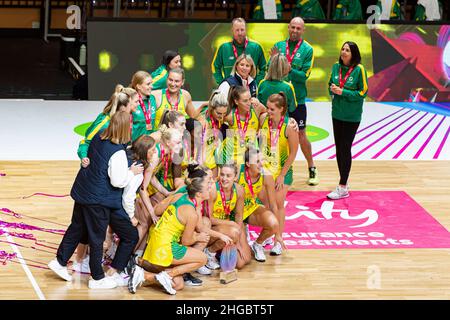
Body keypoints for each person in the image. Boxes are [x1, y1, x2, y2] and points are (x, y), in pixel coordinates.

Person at [48, 111, 144, 289]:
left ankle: (60, 261)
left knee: (76, 228)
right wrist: (131, 172)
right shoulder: (118, 151)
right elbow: (117, 180)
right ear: (125, 128)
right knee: (97, 237)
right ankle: (97, 278)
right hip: (97, 199)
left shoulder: (99, 137)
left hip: (83, 191)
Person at [127, 172, 211, 295]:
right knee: (202, 259)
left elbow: (157, 210)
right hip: (165, 247)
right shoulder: (192, 213)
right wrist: (198, 236)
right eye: (208, 186)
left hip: (154, 241)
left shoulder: (179, 196)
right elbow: (186, 241)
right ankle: (168, 274)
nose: (210, 187)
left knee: (178, 285)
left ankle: (144, 275)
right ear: (199, 194)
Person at [272, 17, 319, 185]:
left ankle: (312, 167)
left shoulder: (308, 50)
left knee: (300, 134)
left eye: (298, 28)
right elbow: (271, 70)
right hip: (278, 99)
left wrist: (288, 68)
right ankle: (276, 169)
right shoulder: (278, 46)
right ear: (288, 27)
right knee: (275, 134)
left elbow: (304, 76)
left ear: (303, 30)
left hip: (297, 100)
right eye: (292, 27)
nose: (295, 31)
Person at [259, 93, 299, 256]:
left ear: (282, 109)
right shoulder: (262, 120)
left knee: (278, 203)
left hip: (282, 170)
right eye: (267, 108)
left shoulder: (289, 127)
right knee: (266, 202)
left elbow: (293, 153)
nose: (269, 111)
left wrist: (282, 175)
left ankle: (278, 239)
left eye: (272, 109)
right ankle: (269, 232)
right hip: (264, 169)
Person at [133, 125, 184, 255]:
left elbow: (151, 176)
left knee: (146, 223)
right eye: (178, 142)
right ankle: (125, 258)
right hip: (132, 191)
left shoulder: (163, 152)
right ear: (167, 142)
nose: (180, 145)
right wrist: (151, 212)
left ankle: (136, 255)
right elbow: (143, 188)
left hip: (138, 187)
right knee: (144, 223)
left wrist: (166, 192)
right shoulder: (155, 156)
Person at [327, 41, 368, 200]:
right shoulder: (335, 67)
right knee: (339, 148)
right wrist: (331, 89)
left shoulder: (359, 69)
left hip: (352, 116)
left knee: (345, 147)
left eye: (348, 50)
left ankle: (343, 186)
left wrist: (343, 92)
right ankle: (343, 182)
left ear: (353, 54)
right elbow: (330, 83)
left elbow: (363, 92)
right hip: (337, 113)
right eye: (343, 49)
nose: (344, 52)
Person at [77, 85, 138, 169]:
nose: (138, 104)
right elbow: (86, 142)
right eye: (136, 102)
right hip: (96, 168)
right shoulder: (104, 123)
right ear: (124, 106)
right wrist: (84, 157)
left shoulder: (129, 117)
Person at [206, 163, 251, 270]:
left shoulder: (239, 190)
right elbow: (209, 219)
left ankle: (221, 251)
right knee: (233, 233)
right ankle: (209, 251)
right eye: (222, 175)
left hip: (230, 227)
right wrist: (230, 224)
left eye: (228, 176)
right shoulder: (213, 190)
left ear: (235, 177)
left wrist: (238, 243)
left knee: (244, 261)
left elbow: (239, 216)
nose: (224, 178)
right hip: (213, 226)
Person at [238, 146, 279, 262]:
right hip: (234, 212)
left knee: (274, 224)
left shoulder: (267, 176)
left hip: (250, 208)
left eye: (262, 160)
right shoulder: (237, 172)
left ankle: (258, 244)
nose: (261, 164)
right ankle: (242, 230)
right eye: (257, 161)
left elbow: (273, 205)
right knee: (243, 260)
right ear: (247, 164)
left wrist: (278, 235)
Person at [211, 18, 267, 86]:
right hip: (231, 90)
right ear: (232, 30)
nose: (240, 33)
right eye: (237, 30)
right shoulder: (223, 47)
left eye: (242, 30)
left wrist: (256, 83)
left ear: (246, 30)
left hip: (249, 90)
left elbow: (264, 68)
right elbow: (215, 67)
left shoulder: (256, 47)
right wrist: (222, 83)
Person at [222, 86, 266, 167]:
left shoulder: (257, 108)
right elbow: (214, 117)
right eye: (245, 101)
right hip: (234, 157)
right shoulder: (230, 116)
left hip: (252, 155)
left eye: (250, 99)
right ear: (236, 101)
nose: (249, 103)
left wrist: (260, 128)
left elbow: (267, 114)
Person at [198, 90, 229, 178]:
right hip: (202, 159)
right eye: (219, 113)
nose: (222, 117)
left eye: (224, 113)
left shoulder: (220, 118)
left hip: (212, 156)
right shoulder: (203, 121)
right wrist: (202, 164)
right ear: (212, 109)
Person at [130, 71, 158, 139]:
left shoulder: (152, 99)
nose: (152, 86)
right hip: (135, 146)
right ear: (138, 86)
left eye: (151, 83)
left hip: (150, 145)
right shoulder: (131, 101)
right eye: (148, 84)